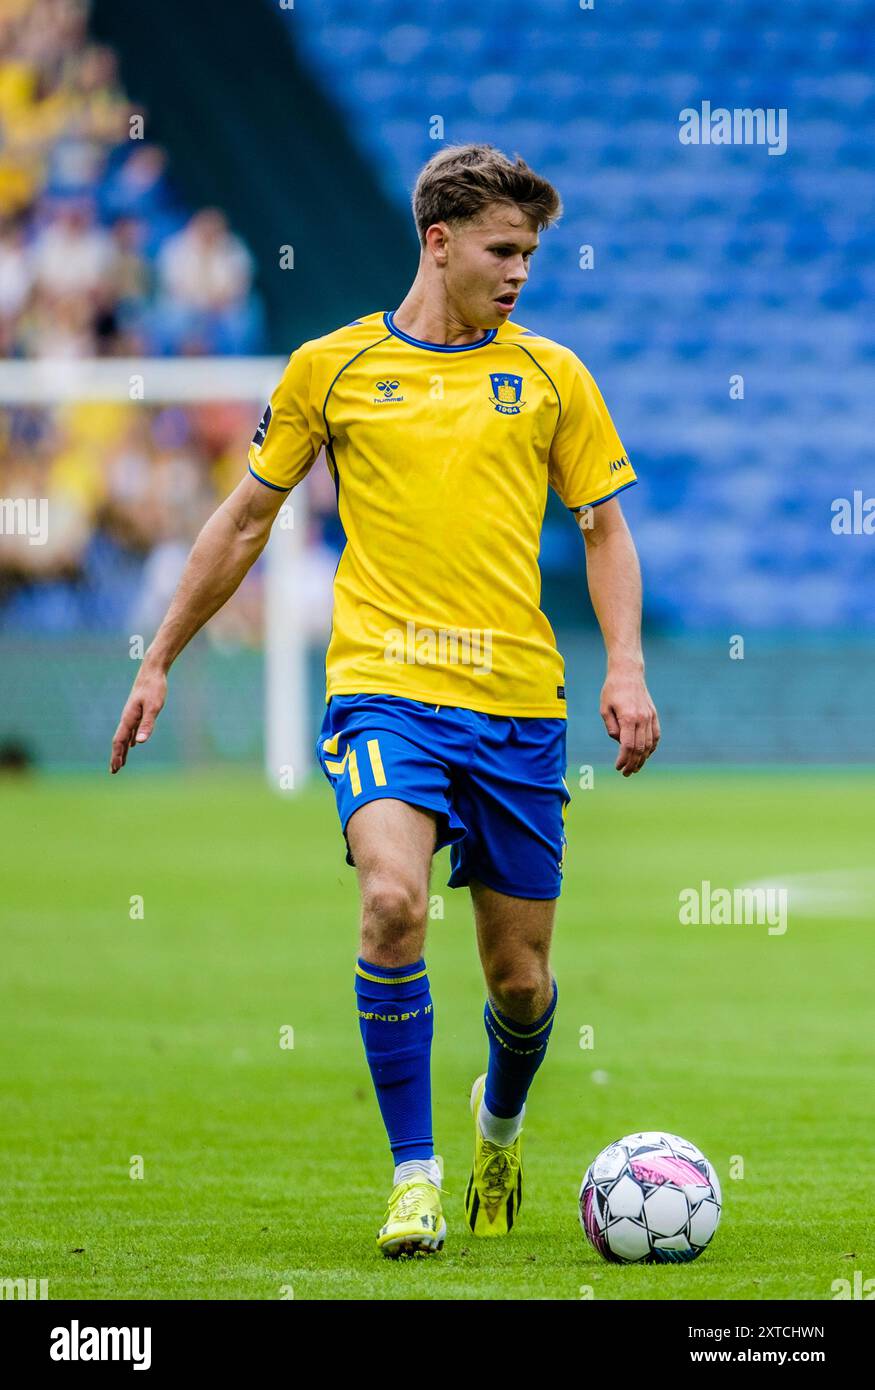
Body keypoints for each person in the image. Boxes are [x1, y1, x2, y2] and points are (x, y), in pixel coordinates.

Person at [110, 143, 660, 1259]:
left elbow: (604, 529)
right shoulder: (332, 367)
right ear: (439, 239)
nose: (519, 274)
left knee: (519, 982)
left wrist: (626, 665)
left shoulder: (552, 374)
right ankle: (412, 1176)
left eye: (532, 256)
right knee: (392, 904)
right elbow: (245, 521)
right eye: (503, 251)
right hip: (383, 692)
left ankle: (495, 1124)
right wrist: (159, 653)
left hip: (517, 705)